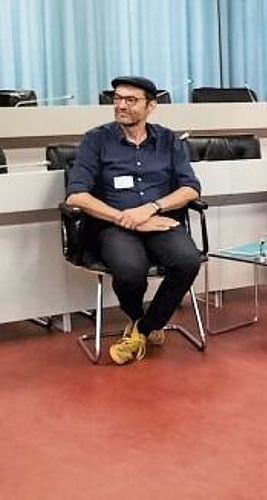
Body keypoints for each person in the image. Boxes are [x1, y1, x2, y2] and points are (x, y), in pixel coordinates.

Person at [65, 76, 204, 365]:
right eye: (117, 99)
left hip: (159, 220)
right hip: (112, 226)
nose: (121, 106)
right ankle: (142, 320)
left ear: (151, 106)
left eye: (130, 100)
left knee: (188, 261)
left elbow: (190, 188)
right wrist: (127, 218)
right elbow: (76, 196)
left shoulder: (168, 140)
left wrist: (151, 208)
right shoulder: (96, 139)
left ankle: (143, 328)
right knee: (130, 272)